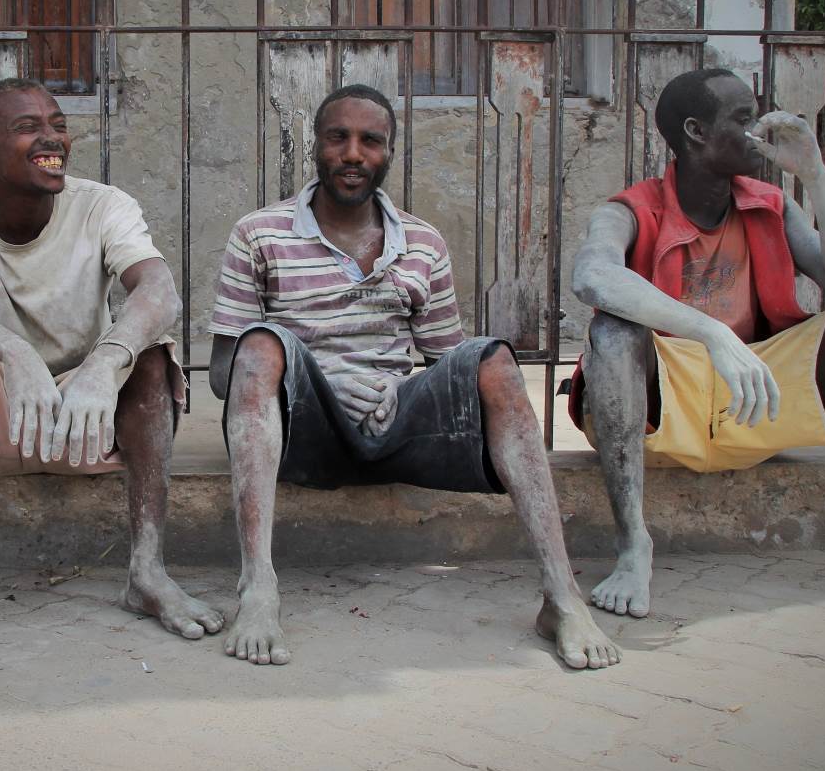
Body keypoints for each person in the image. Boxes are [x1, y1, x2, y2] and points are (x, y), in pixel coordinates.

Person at [209, 84, 620, 670]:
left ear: (388, 153)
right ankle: (258, 587)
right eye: (338, 138)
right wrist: (320, 377)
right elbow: (226, 375)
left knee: (496, 361)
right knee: (258, 347)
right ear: (316, 149)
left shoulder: (422, 242)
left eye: (370, 141)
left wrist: (400, 391)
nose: (353, 153)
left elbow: (447, 367)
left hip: (396, 425)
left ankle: (562, 595)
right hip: (306, 434)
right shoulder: (259, 233)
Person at [569, 68, 825, 618]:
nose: (759, 128)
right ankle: (633, 548)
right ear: (695, 131)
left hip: (755, 394)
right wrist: (710, 330)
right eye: (743, 119)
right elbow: (593, 278)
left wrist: (816, 177)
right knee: (613, 332)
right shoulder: (628, 208)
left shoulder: (771, 204)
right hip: (665, 406)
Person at [0, 77, 221, 650]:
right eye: (28, 128)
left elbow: (159, 291)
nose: (52, 139)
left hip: (86, 416)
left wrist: (104, 364)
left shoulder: (103, 205)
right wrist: (13, 350)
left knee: (149, 355)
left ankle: (147, 572)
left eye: (58, 124)